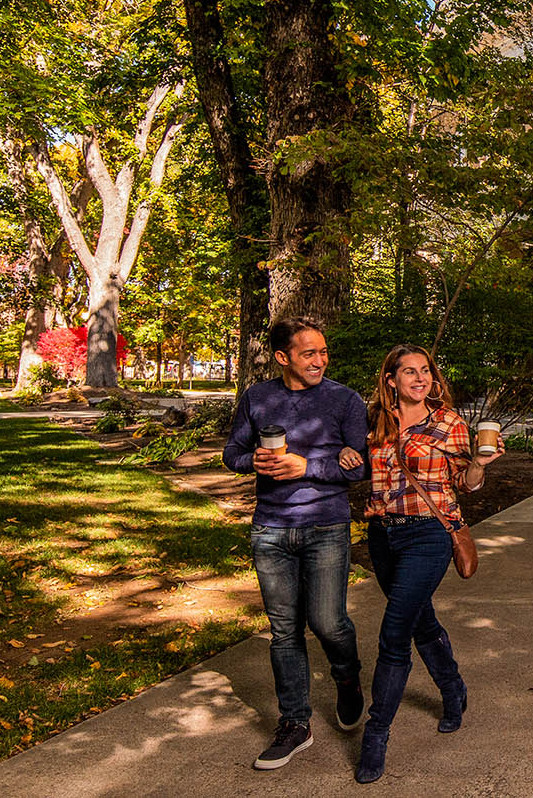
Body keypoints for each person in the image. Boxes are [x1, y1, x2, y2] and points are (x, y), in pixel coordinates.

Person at [224, 317, 370, 770]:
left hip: (325, 526)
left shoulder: (344, 399)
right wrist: (257, 462)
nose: (320, 361)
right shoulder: (258, 397)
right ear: (283, 357)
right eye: (309, 353)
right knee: (284, 631)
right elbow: (232, 454)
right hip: (270, 529)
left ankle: (347, 677)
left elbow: (358, 467)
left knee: (329, 622)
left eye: (323, 352)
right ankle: (294, 723)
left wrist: (306, 465)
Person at [354, 343, 501, 784]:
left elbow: (466, 483)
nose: (420, 379)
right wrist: (348, 459)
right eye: (410, 372)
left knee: (394, 630)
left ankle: (376, 735)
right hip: (382, 535)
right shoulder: (374, 421)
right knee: (420, 620)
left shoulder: (450, 422)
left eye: (426, 372)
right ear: (391, 380)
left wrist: (479, 462)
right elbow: (361, 469)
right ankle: (453, 689)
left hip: (429, 535)